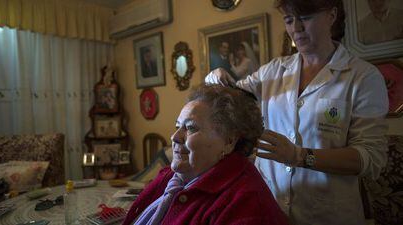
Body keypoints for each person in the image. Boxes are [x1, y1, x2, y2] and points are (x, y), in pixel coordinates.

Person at [205, 0, 389, 224]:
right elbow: (234, 95)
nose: (296, 28)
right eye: (289, 20)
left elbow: (370, 159)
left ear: (331, 16)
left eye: (305, 18)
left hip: (327, 214)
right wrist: (216, 78)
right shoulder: (273, 70)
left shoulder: (362, 77)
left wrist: (299, 156)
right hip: (267, 208)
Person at [122, 84, 288, 225]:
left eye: (191, 128)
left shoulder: (247, 205)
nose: (175, 137)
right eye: (177, 126)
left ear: (229, 141)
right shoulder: (171, 177)